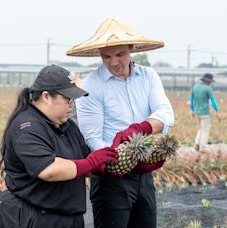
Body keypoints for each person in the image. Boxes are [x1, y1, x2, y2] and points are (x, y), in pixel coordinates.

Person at [66, 17, 174, 228]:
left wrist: (141, 128)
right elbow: (92, 137)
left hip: (145, 175)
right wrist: (116, 161)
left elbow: (166, 113)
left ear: (131, 49)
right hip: (111, 179)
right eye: (106, 56)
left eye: (120, 54)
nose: (114, 62)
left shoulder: (148, 76)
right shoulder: (92, 86)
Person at [0, 65, 118, 228]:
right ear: (46, 96)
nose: (72, 105)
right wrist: (91, 163)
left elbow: (85, 161)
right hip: (32, 217)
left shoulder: (67, 126)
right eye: (67, 99)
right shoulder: (27, 127)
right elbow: (49, 170)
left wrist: (109, 165)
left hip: (66, 217)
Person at [189, 73, 219, 151]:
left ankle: (197, 143)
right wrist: (217, 111)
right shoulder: (208, 89)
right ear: (207, 81)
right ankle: (203, 147)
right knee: (205, 130)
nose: (210, 83)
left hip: (196, 112)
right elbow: (212, 101)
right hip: (205, 113)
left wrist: (191, 110)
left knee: (201, 128)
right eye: (210, 81)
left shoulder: (195, 87)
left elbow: (191, 100)